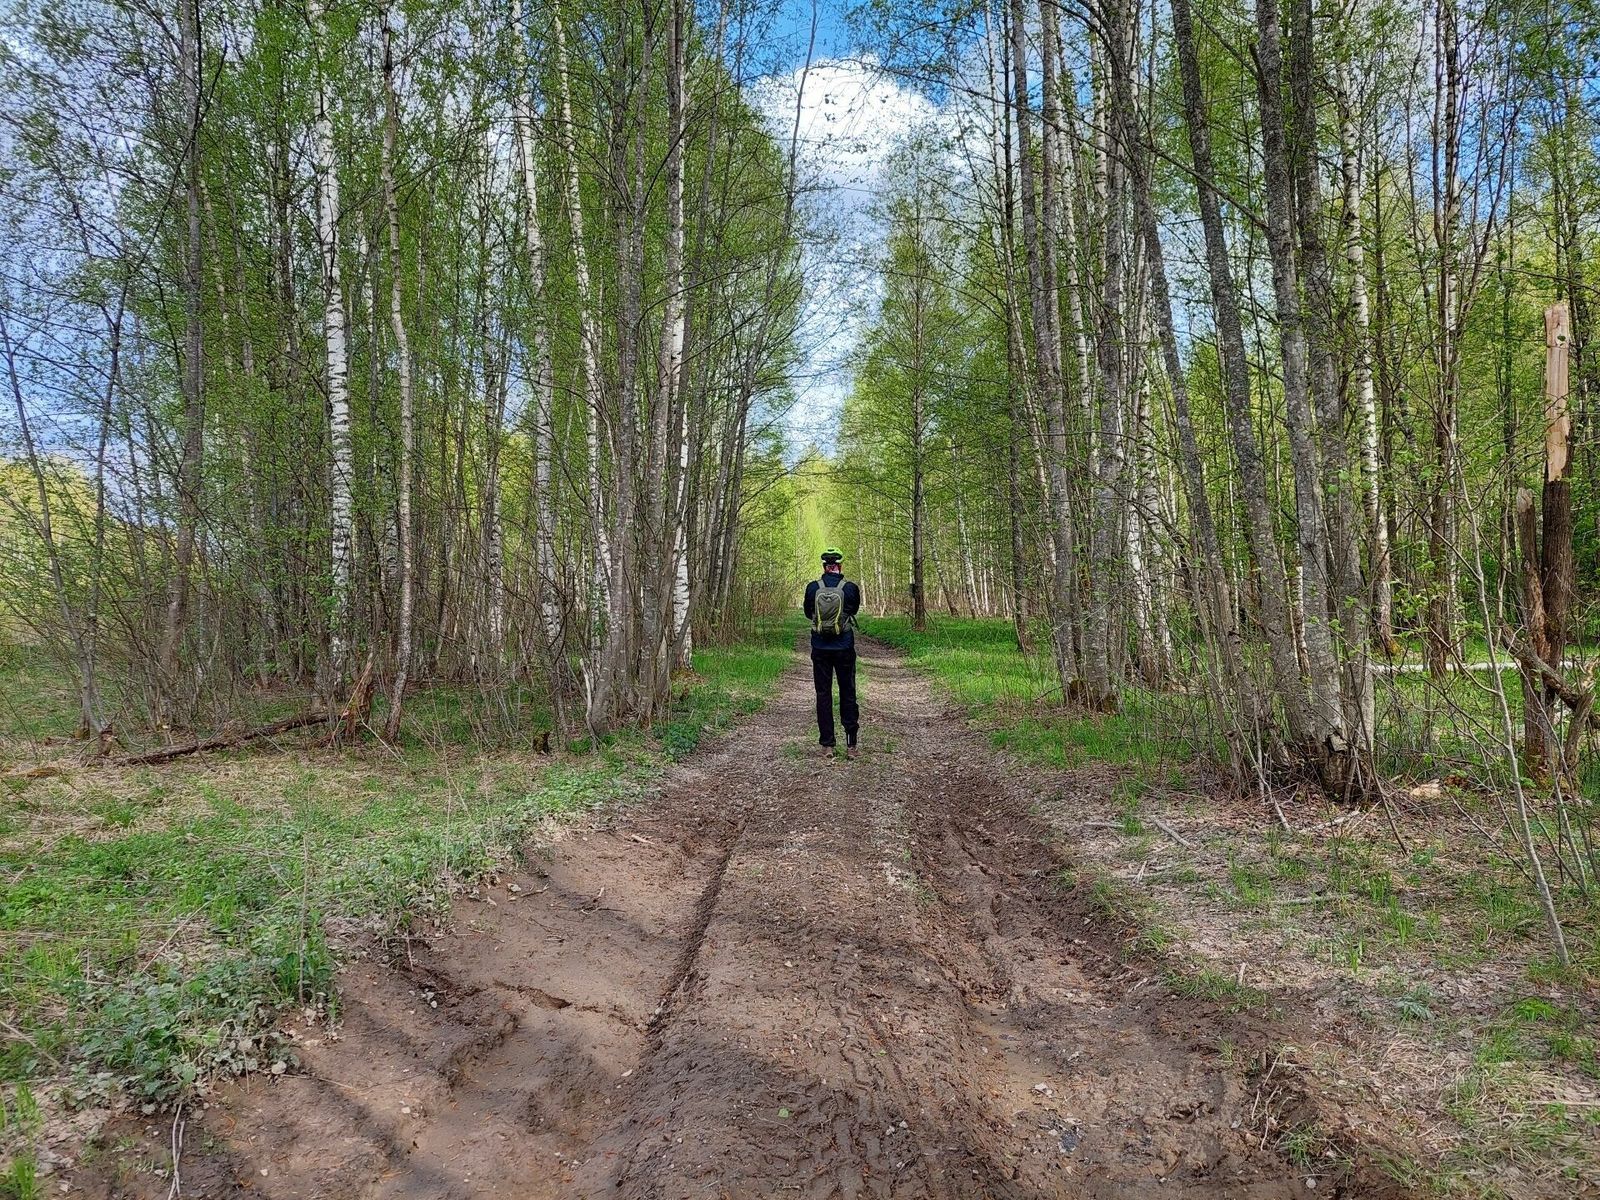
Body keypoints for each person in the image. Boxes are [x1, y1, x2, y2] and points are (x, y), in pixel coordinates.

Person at [804, 546, 862, 751]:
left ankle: (827, 744)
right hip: (844, 646)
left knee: (823, 694)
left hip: (820, 647)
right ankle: (851, 743)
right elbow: (853, 610)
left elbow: (808, 613)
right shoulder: (850, 588)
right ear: (840, 566)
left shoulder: (813, 588)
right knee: (848, 691)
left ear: (824, 566)